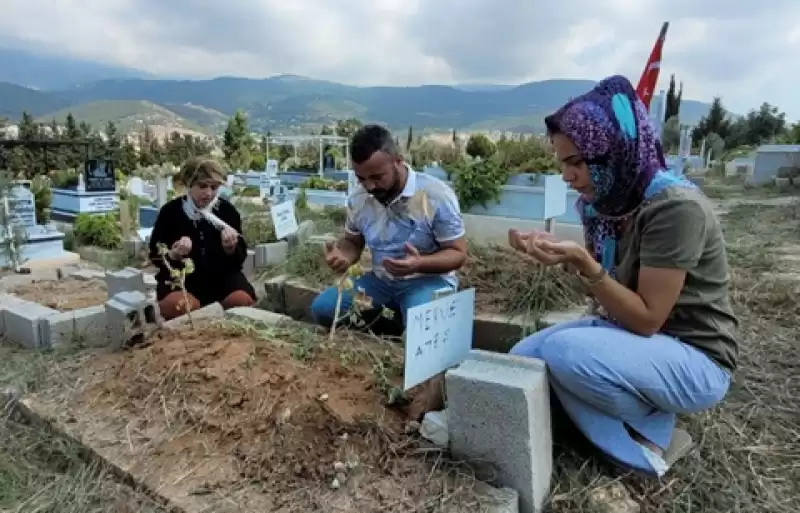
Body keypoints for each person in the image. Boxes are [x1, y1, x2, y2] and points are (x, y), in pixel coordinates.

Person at [508, 75, 738, 477]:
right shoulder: (604, 203)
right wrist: (558, 255)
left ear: (614, 151)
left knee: (565, 355)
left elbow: (647, 318)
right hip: (638, 339)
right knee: (520, 360)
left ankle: (643, 444)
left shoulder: (674, 209)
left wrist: (585, 264)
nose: (566, 176)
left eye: (577, 162)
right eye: (562, 162)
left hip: (695, 357)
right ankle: (618, 413)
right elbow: (610, 297)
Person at [310, 124, 468, 329]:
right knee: (323, 308)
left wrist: (419, 264)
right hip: (380, 282)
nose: (369, 186)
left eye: (377, 177)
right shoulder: (359, 198)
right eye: (361, 178)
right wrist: (345, 256)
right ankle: (397, 321)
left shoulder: (435, 195)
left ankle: (409, 319)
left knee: (423, 330)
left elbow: (458, 254)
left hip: (428, 281)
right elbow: (352, 241)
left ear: (398, 161)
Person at [149, 157, 257, 320]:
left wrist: (231, 249)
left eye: (214, 187)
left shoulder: (227, 212)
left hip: (222, 279)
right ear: (189, 185)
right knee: (180, 306)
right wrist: (173, 254)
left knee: (241, 300)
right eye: (202, 186)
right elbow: (155, 253)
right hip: (182, 280)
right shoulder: (170, 213)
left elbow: (238, 261)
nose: (208, 193)